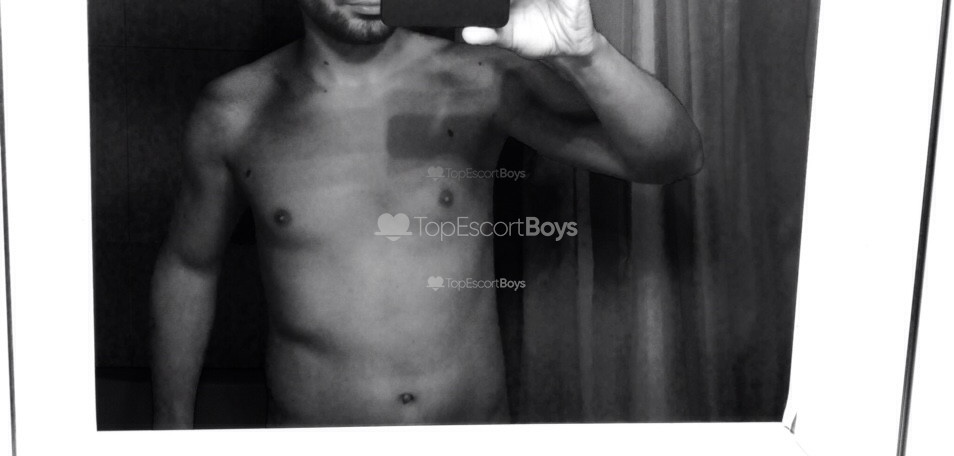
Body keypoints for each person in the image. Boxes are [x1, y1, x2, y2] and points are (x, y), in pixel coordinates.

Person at [150, 0, 703, 429]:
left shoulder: (475, 76)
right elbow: (189, 266)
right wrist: (171, 426)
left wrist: (587, 56)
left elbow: (672, 157)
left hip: (471, 437)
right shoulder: (234, 112)